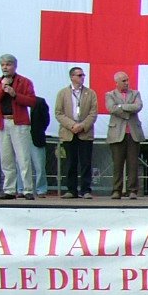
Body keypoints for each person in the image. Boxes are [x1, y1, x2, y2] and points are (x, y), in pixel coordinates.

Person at [0, 53, 37, 200]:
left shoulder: (24, 81)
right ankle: (9, 189)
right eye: (2, 65)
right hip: (2, 122)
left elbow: (32, 101)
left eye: (8, 64)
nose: (5, 67)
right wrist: (2, 90)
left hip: (19, 123)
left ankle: (27, 189)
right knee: (6, 158)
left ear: (14, 66)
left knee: (23, 158)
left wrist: (15, 94)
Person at [54, 66, 98, 199]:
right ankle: (71, 190)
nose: (82, 77)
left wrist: (82, 126)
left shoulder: (90, 93)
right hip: (69, 132)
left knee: (86, 162)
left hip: (85, 132)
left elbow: (93, 113)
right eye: (79, 75)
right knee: (70, 162)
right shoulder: (63, 93)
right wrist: (72, 125)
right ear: (72, 77)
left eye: (83, 75)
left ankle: (86, 190)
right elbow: (58, 113)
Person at [104, 71, 143, 200]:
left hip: (132, 133)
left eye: (127, 80)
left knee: (133, 163)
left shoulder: (135, 93)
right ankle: (117, 190)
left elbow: (138, 106)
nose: (127, 83)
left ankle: (132, 190)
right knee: (117, 163)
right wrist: (127, 110)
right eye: (124, 81)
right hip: (117, 133)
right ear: (117, 82)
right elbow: (111, 108)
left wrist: (121, 106)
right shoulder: (110, 94)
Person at [22, 95, 51, 197]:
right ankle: (21, 189)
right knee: (21, 165)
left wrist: (38, 130)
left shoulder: (39, 101)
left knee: (39, 165)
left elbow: (46, 119)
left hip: (36, 137)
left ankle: (41, 189)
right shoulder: (18, 101)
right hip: (21, 136)